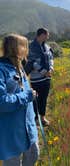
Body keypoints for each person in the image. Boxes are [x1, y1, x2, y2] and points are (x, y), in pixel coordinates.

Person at [0, 34, 39, 165]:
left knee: (34, 154)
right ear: (15, 48)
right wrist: (27, 96)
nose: (27, 50)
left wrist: (30, 95)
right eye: (24, 46)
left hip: (28, 128)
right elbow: (2, 102)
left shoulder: (19, 67)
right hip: (10, 131)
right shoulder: (1, 70)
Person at [24, 28, 54, 126]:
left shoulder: (47, 46)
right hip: (36, 79)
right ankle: (35, 118)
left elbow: (51, 58)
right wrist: (44, 71)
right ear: (41, 35)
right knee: (36, 99)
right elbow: (32, 62)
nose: (48, 37)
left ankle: (42, 117)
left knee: (44, 98)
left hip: (47, 78)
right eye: (47, 35)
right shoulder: (31, 47)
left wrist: (51, 68)